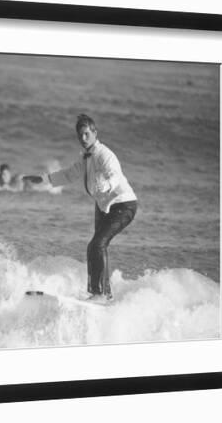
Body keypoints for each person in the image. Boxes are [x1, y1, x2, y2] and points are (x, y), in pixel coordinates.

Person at [24, 114, 137, 301]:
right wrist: (44, 179)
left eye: (86, 134)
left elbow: (114, 174)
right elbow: (69, 175)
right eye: (80, 136)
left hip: (123, 204)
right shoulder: (85, 158)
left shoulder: (104, 154)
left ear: (95, 133)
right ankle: (102, 293)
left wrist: (107, 185)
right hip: (103, 205)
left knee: (97, 245)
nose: (83, 139)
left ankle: (99, 293)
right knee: (95, 246)